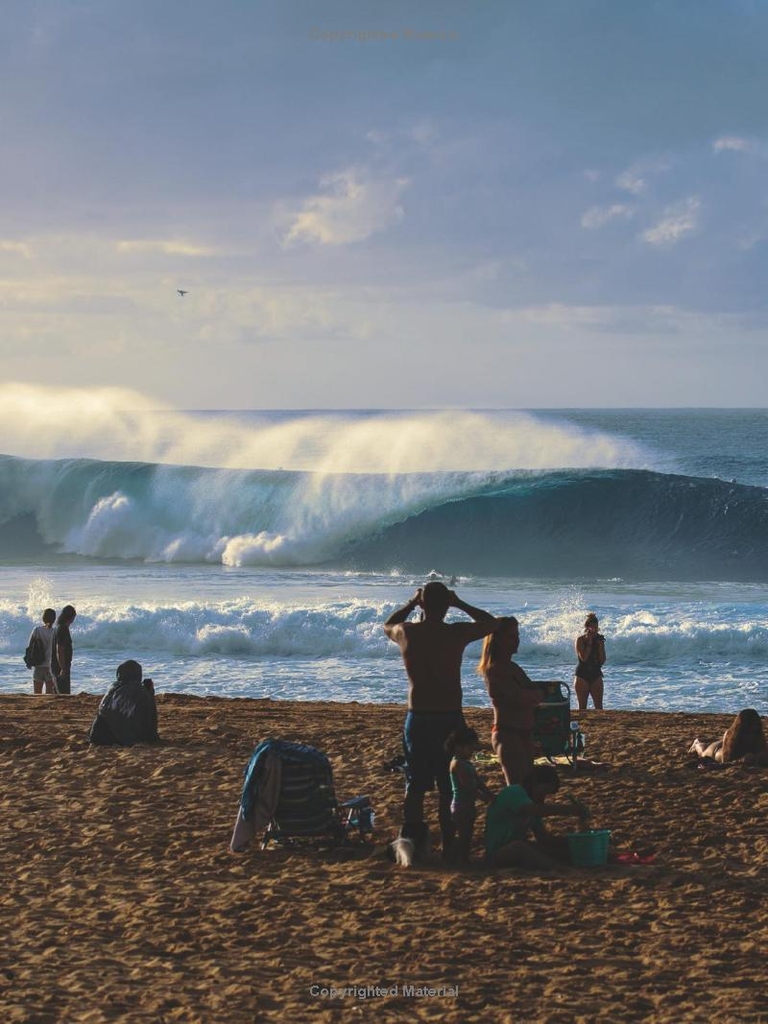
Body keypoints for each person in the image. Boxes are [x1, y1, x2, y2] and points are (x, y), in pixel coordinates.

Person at [384, 582, 505, 857]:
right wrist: (459, 602)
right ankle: (449, 844)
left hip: (418, 717)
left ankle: (413, 844)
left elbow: (387, 624)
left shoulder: (407, 632)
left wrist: (411, 603)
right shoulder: (456, 633)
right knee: (447, 786)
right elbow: (492, 624)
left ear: (423, 604)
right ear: (446, 605)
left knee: (415, 786)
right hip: (449, 717)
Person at [485, 765, 589, 870]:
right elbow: (534, 810)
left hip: (519, 846)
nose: (543, 796)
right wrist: (570, 810)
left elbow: (544, 838)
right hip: (498, 853)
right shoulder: (514, 792)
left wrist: (574, 841)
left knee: (554, 850)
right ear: (534, 784)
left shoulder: (532, 802)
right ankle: (557, 868)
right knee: (520, 847)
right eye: (544, 790)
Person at [478, 616, 542, 785]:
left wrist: (531, 695)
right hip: (508, 732)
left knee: (529, 785)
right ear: (498, 640)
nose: (517, 641)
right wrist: (531, 695)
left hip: (524, 731)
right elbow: (520, 698)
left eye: (517, 636)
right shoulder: (495, 669)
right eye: (512, 637)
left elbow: (536, 693)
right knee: (517, 786)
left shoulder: (513, 667)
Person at [445, 725, 493, 865]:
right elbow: (467, 787)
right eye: (470, 747)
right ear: (459, 746)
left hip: (469, 804)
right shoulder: (457, 764)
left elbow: (478, 782)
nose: (472, 751)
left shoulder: (467, 763)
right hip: (460, 805)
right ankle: (451, 859)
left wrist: (489, 793)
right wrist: (483, 798)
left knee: (468, 834)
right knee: (463, 835)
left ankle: (463, 858)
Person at [88, 660, 160, 746]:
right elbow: (148, 720)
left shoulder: (112, 687)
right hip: (120, 737)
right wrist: (150, 693)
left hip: (97, 734)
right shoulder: (140, 691)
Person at [689, 709, 768, 766]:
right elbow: (725, 761)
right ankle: (696, 743)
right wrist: (740, 761)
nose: (753, 732)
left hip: (727, 746)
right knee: (702, 752)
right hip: (716, 751)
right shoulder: (730, 734)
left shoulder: (757, 733)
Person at [574, 613, 606, 711]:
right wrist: (589, 643)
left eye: (596, 627)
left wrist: (600, 647)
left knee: (599, 707)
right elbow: (583, 658)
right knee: (582, 708)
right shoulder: (580, 640)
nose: (595, 630)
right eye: (592, 627)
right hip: (582, 675)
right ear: (587, 628)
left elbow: (602, 660)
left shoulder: (599, 639)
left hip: (596, 674)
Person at [28, 608, 57, 694]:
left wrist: (28, 661)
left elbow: (30, 646)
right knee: (49, 694)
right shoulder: (55, 632)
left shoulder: (37, 630)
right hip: (50, 665)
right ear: (54, 619)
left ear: (43, 618)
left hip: (38, 664)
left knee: (37, 694)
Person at [51, 604, 76, 695]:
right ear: (72, 617)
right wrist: (63, 668)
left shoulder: (57, 627)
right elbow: (59, 650)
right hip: (60, 666)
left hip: (56, 665)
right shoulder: (62, 629)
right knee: (64, 694)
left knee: (58, 693)